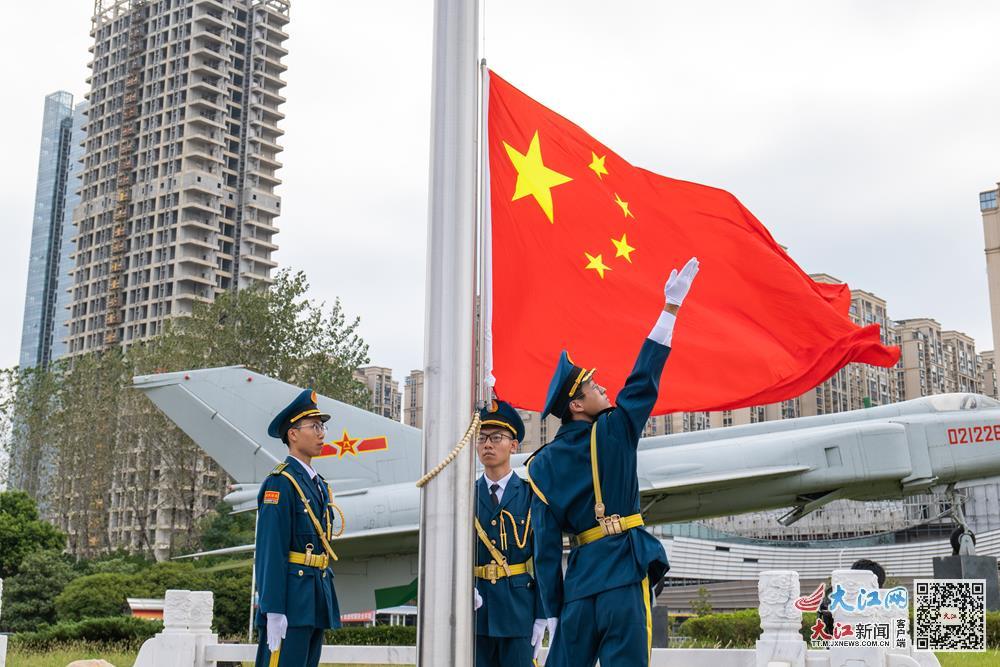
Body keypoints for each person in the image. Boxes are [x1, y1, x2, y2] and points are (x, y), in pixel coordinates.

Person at [526, 257, 700, 666]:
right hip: (623, 571)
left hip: (580, 586)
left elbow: (545, 549)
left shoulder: (540, 465)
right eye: (593, 385)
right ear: (577, 405)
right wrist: (670, 308)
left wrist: (550, 609)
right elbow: (644, 378)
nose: (603, 386)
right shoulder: (615, 429)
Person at [254, 388, 342, 667]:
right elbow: (271, 551)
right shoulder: (281, 482)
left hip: (314, 599)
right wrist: (273, 610)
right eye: (314, 426)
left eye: (322, 426)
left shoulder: (319, 484)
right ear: (293, 434)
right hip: (290, 604)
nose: (321, 433)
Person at [473, 399, 550, 666]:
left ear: (514, 445)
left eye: (496, 437)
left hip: (519, 610)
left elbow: (544, 557)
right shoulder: (464, 495)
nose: (487, 444)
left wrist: (542, 614)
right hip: (475, 610)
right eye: (481, 438)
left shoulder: (531, 494)